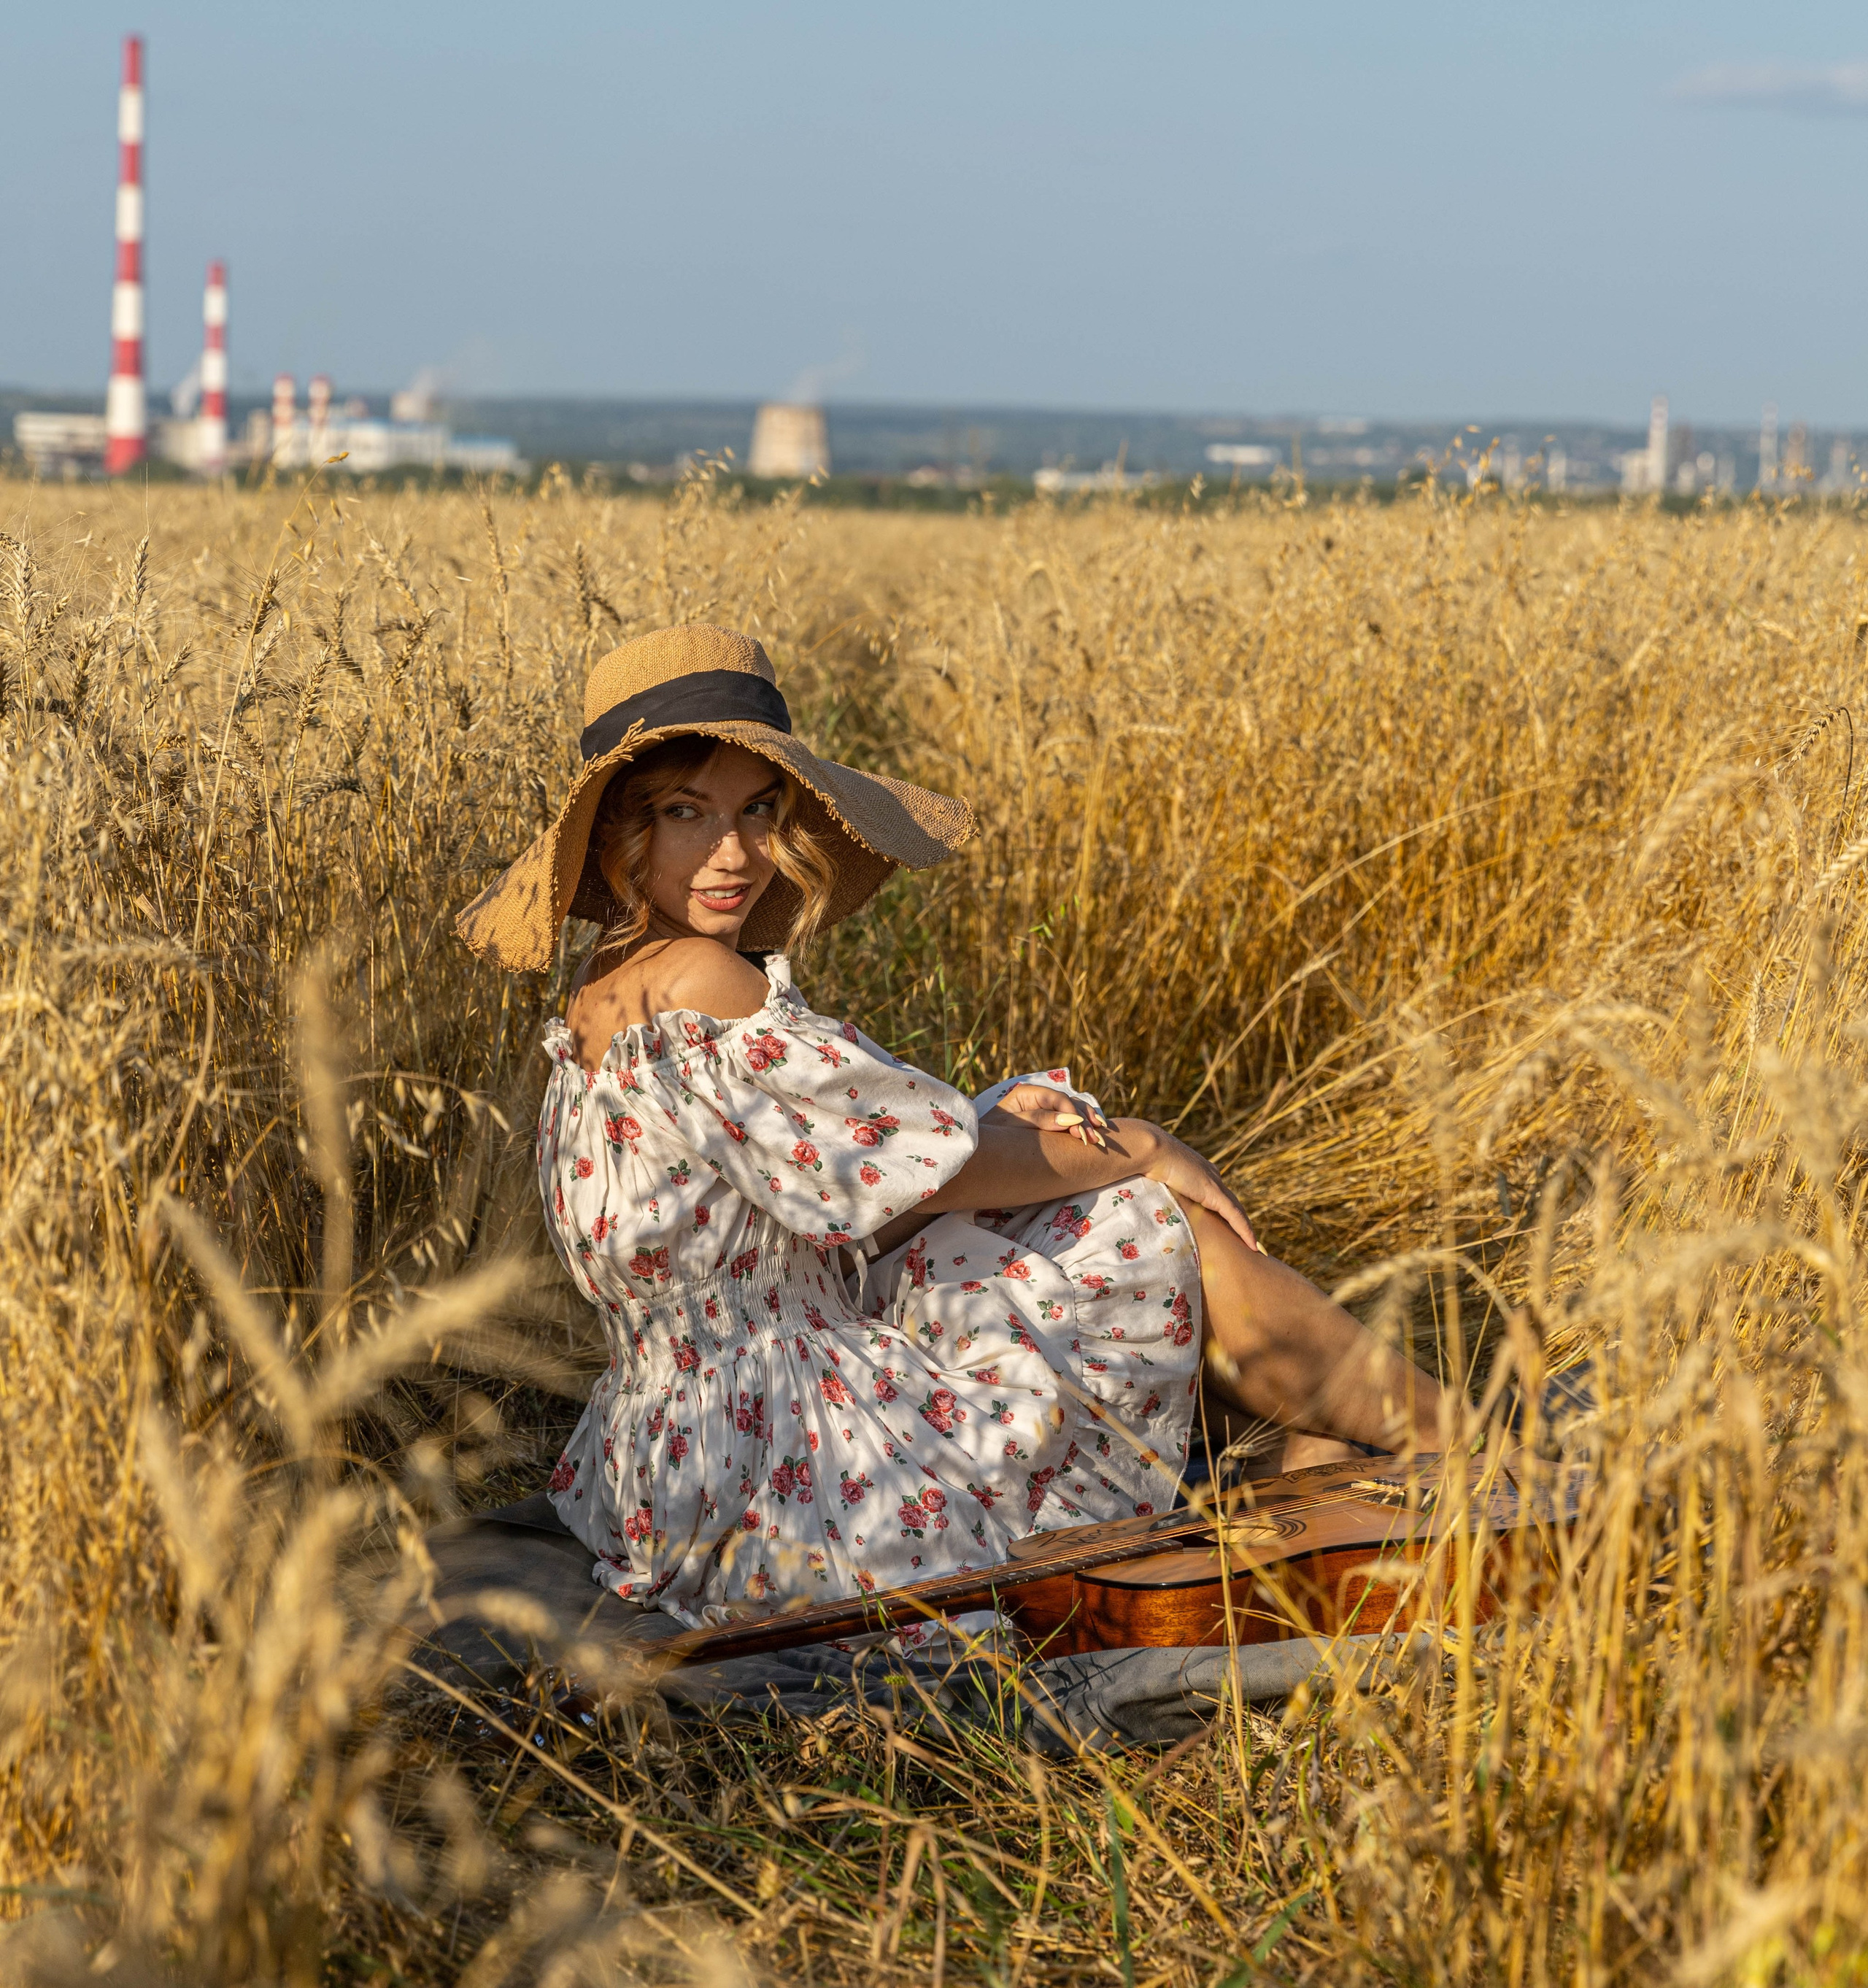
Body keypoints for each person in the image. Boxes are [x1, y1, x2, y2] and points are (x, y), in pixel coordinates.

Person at [456, 625, 1449, 1633]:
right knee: (1146, 1222)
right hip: (803, 1453)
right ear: (619, 831)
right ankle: (1458, 1438)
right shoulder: (707, 983)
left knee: (1040, 1236)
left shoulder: (605, 992)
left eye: (758, 810)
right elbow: (927, 1178)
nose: (736, 853)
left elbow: (827, 1194)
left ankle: (1315, 1445)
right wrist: (1146, 1145)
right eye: (686, 812)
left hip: (666, 1461)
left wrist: (984, 1121)